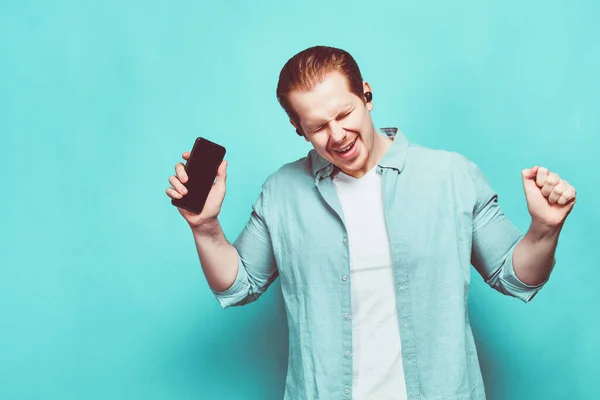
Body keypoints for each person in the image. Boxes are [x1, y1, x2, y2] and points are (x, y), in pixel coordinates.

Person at [165, 46, 577, 400]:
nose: (338, 135)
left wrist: (544, 229)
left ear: (367, 96)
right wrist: (205, 227)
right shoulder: (281, 192)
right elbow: (239, 286)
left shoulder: (451, 175)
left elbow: (516, 278)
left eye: (344, 113)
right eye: (318, 127)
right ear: (298, 129)